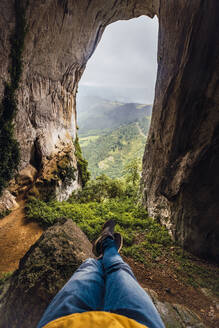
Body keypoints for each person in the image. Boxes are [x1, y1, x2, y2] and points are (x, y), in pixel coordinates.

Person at [37, 220, 165, 328]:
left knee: (89, 266)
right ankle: (107, 246)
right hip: (135, 324)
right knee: (119, 268)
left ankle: (104, 249)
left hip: (64, 323)